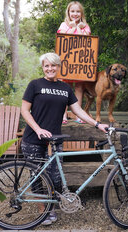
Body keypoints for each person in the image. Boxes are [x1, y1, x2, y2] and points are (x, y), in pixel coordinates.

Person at [21, 52, 108, 226]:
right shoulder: (35, 85)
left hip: (55, 139)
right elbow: (24, 110)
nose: (50, 68)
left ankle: (51, 207)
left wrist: (97, 124)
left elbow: (79, 111)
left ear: (59, 67)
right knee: (36, 175)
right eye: (46, 66)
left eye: (53, 65)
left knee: (55, 176)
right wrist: (38, 129)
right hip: (33, 138)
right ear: (43, 68)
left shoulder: (65, 88)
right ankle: (42, 212)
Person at [57, 1, 91, 124]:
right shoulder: (64, 25)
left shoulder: (85, 26)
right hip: (66, 61)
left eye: (78, 11)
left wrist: (79, 28)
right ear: (68, 12)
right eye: (73, 11)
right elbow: (64, 38)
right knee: (64, 88)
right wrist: (72, 27)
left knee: (79, 88)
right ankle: (63, 115)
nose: (75, 14)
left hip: (80, 62)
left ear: (81, 13)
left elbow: (86, 40)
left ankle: (78, 115)